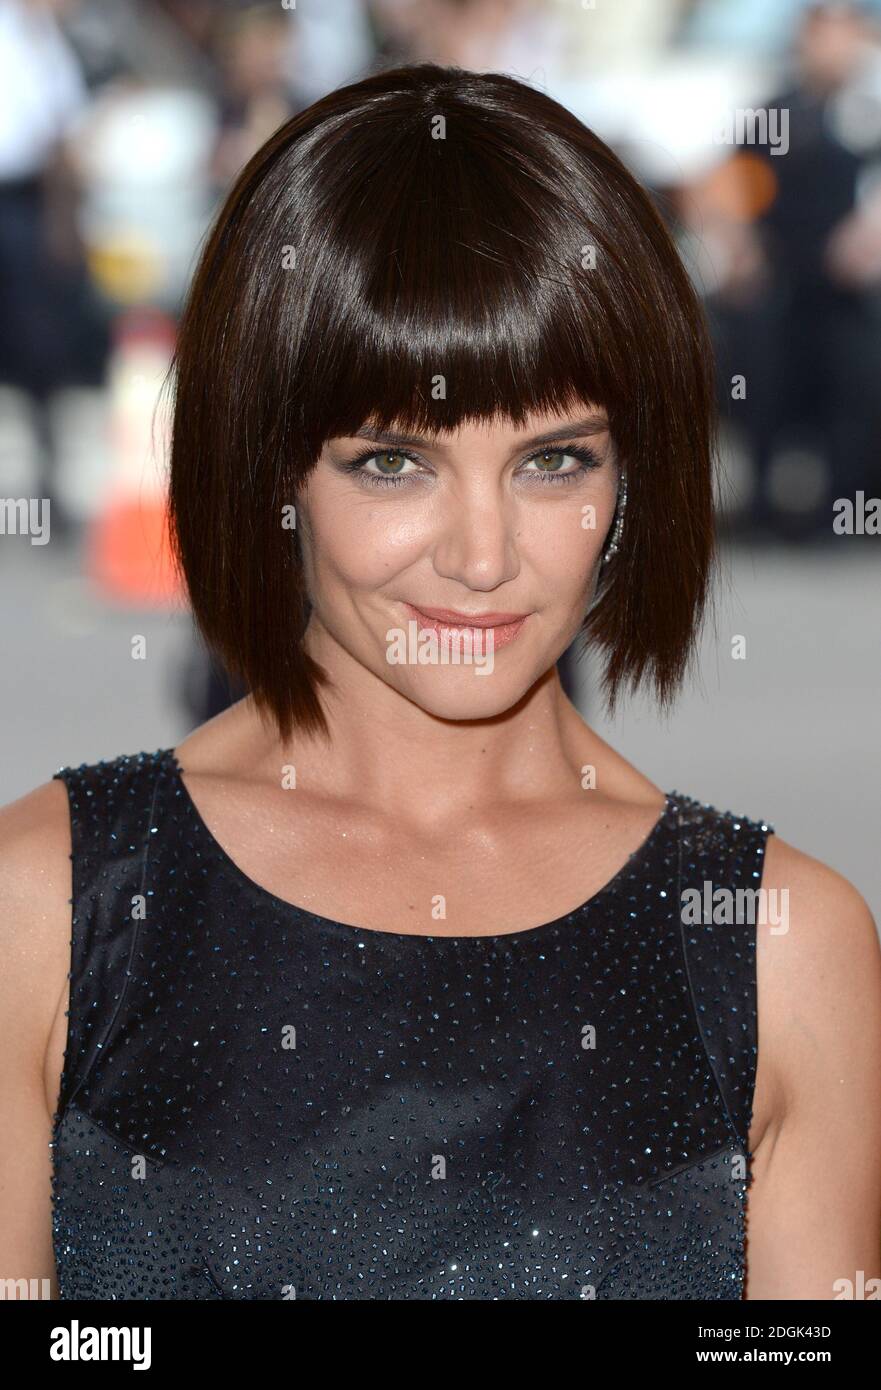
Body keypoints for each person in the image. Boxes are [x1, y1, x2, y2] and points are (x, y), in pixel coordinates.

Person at [1, 62, 879, 1302]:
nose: (480, 557)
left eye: (553, 460)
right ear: (270, 466)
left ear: (636, 477)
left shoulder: (785, 948)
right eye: (392, 463)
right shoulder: (43, 911)